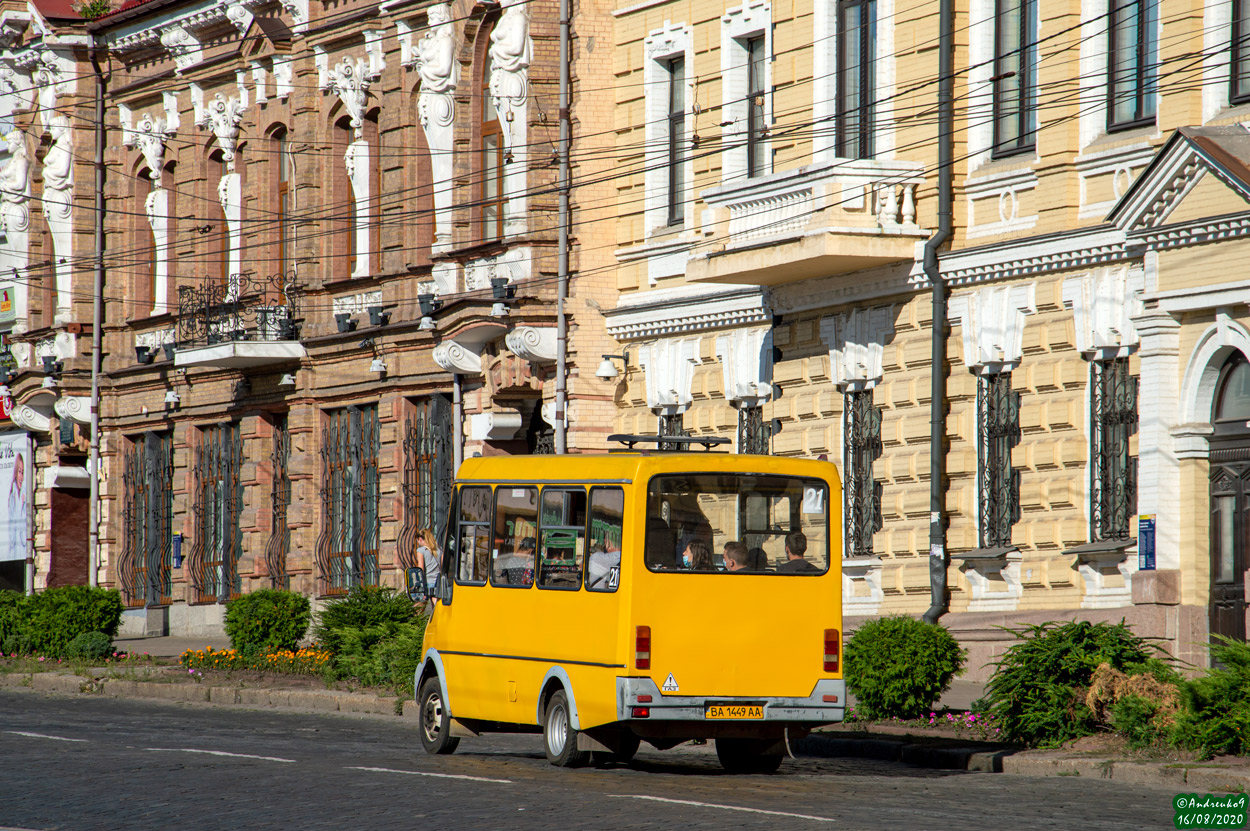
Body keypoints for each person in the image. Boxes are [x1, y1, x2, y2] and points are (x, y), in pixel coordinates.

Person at [415, 527, 441, 601]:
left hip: (427, 582)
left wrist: (420, 585)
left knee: (419, 608)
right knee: (436, 609)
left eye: (418, 541)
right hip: (438, 583)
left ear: (420, 539)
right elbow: (442, 568)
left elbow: (421, 569)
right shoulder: (439, 550)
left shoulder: (421, 550)